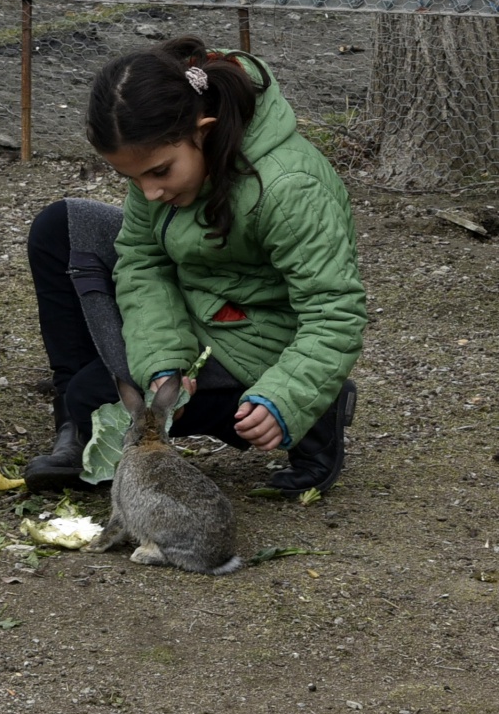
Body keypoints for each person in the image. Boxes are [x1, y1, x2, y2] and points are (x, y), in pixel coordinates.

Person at [23, 35, 365, 497]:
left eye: (160, 172)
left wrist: (286, 397)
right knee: (60, 227)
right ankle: (74, 427)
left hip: (254, 331)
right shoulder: (160, 163)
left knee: (96, 397)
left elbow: (334, 312)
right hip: (193, 302)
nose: (148, 193)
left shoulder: (290, 188)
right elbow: (142, 261)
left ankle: (312, 407)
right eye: (132, 178)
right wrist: (163, 364)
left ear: (203, 131)